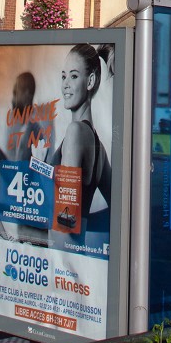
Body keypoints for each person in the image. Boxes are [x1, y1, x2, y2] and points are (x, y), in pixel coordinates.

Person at [41, 44, 113, 221]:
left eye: (73, 76)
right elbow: (118, 202)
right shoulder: (99, 149)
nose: (65, 84)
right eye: (63, 76)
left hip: (60, 245)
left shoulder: (75, 131)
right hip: (71, 246)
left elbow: (65, 214)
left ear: (90, 81)